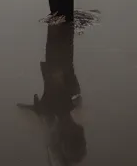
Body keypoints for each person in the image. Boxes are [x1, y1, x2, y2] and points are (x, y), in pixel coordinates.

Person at [17, 22, 87, 165]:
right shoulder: (73, 101)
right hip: (59, 57)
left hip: (57, 57)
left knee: (57, 29)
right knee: (58, 29)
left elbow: (35, 108)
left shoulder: (70, 104)